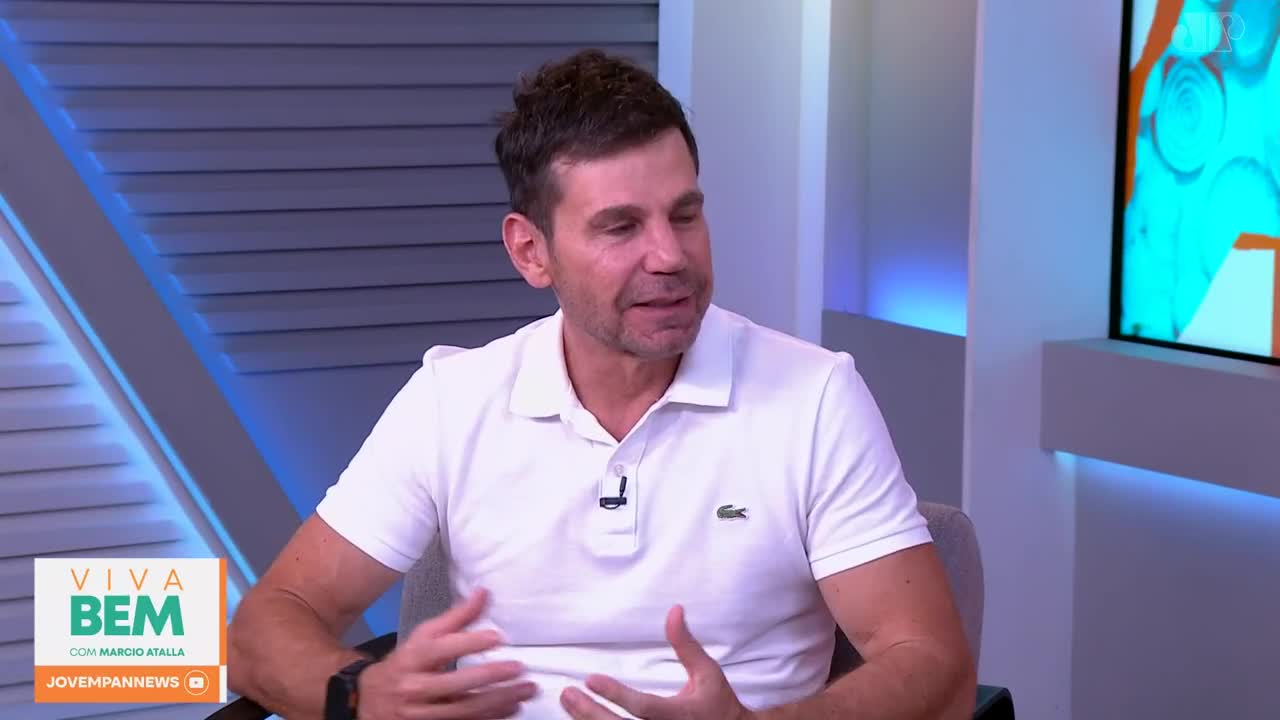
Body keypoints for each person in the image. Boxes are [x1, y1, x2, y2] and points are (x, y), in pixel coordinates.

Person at [227, 49, 976, 720]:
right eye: (621, 227)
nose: (669, 256)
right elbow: (269, 621)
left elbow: (932, 665)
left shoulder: (812, 397)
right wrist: (357, 698)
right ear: (531, 251)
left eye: (685, 216)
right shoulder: (453, 400)